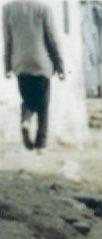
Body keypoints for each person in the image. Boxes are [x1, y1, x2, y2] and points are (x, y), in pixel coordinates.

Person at [3, 0, 65, 151]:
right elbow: (52, 38)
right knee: (43, 105)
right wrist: (60, 66)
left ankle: (26, 120)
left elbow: (7, 40)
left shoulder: (7, 9)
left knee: (28, 99)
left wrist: (7, 66)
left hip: (20, 63)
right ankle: (41, 144)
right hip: (41, 63)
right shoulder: (43, 8)